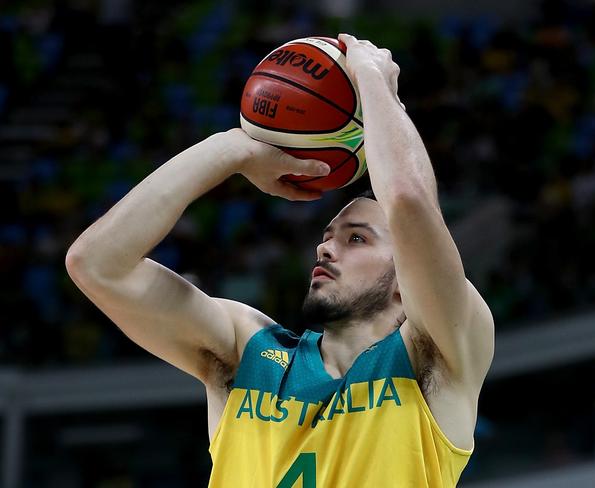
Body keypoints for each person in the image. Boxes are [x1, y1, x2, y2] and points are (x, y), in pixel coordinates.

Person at [65, 33, 494, 487]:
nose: (325, 248)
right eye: (328, 236)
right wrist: (231, 149)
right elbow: (96, 266)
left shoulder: (436, 356)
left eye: (357, 239)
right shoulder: (246, 350)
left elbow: (410, 205)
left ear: (403, 279)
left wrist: (372, 78)